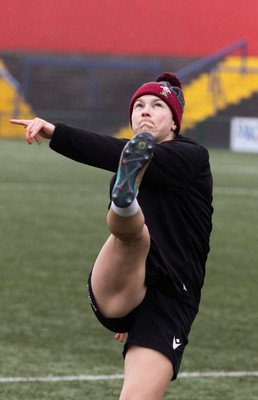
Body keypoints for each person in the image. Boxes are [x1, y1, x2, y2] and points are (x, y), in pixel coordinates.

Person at [10, 72, 213, 400]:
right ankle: (125, 201)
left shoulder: (191, 157)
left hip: (168, 299)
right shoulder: (126, 161)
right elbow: (117, 153)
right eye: (139, 106)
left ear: (175, 122)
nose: (145, 111)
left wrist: (57, 132)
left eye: (157, 106)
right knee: (135, 238)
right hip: (122, 279)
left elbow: (110, 150)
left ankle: (125, 203)